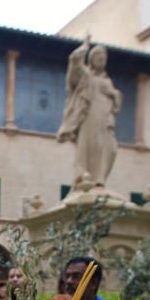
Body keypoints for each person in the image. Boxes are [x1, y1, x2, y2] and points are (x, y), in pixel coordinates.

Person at [56, 36, 122, 188]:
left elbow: (116, 103)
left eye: (104, 56)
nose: (102, 59)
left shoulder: (107, 80)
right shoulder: (86, 76)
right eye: (98, 56)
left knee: (110, 149)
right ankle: (83, 176)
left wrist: (112, 93)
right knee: (87, 147)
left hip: (105, 120)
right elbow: (74, 64)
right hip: (88, 118)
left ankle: (100, 178)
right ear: (91, 59)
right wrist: (84, 48)